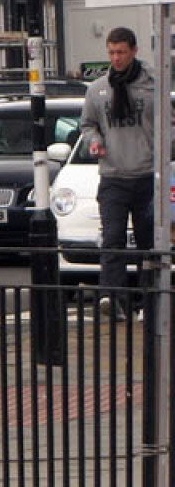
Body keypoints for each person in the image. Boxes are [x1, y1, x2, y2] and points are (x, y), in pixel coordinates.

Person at [79, 26, 155, 313]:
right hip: (113, 177)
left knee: (148, 243)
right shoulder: (98, 89)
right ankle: (112, 298)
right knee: (112, 239)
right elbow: (88, 124)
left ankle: (151, 300)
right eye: (111, 52)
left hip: (147, 175)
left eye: (121, 52)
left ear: (134, 52)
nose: (116, 58)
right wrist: (95, 142)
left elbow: (167, 124)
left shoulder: (151, 86)